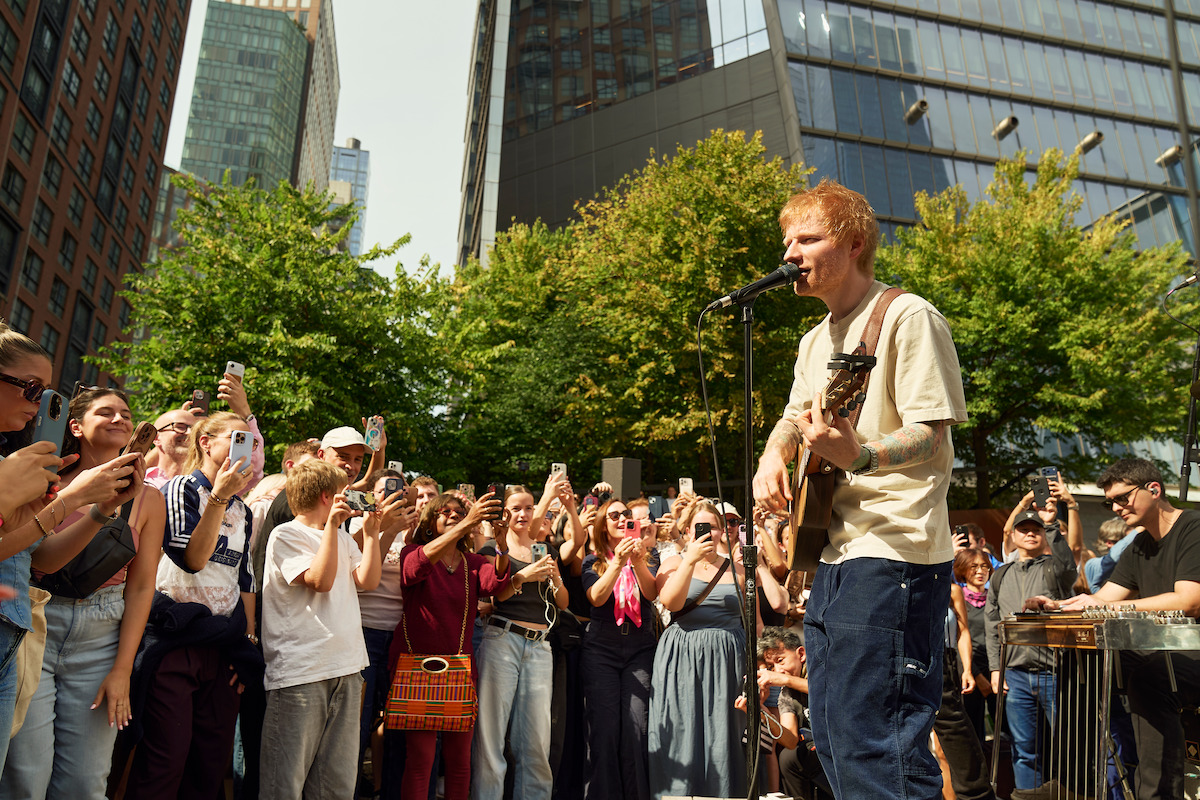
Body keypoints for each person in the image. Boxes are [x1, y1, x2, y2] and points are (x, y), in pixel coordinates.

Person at [752, 179, 968, 800]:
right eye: (786, 240)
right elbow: (796, 417)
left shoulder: (906, 315)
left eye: (807, 238)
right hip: (834, 558)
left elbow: (931, 430)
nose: (790, 252)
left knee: (881, 745)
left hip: (895, 554)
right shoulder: (814, 340)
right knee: (839, 736)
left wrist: (863, 454)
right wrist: (774, 455)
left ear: (851, 245)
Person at [0, 389, 165, 800]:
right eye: (105, 412)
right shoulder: (48, 483)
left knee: (86, 782)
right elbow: (40, 557)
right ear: (75, 425)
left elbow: (142, 585)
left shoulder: (148, 498)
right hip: (37, 621)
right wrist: (89, 503)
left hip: (103, 636)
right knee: (25, 775)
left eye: (126, 414)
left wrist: (123, 668)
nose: (120, 419)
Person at [1027, 458, 1200, 800]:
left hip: (1191, 652)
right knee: (1080, 663)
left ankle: (1158, 795)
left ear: (1154, 489)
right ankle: (1073, 785)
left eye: (1123, 498)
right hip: (1163, 650)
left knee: (1149, 680)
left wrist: (1106, 606)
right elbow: (1102, 597)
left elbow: (1189, 600)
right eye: (1110, 502)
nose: (1117, 508)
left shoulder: (1193, 528)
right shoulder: (1138, 546)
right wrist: (1058, 605)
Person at [124, 411, 261, 800]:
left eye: (251, 442)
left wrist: (244, 642)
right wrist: (218, 497)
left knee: (208, 765)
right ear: (206, 442)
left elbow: (245, 577)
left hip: (223, 646)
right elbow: (191, 559)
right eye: (237, 439)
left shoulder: (243, 509)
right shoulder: (181, 488)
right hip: (175, 638)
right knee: (165, 761)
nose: (247, 449)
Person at [259, 459, 403, 800]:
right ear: (328, 496)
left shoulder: (339, 536)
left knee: (335, 783)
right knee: (286, 781)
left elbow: (367, 580)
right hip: (301, 672)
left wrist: (371, 535)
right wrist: (333, 529)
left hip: (348, 667)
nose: (353, 499)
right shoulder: (287, 533)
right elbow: (319, 582)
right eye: (346, 493)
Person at [648, 500, 778, 798]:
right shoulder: (672, 563)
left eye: (714, 527)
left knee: (727, 734)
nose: (708, 533)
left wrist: (758, 670)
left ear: (723, 531)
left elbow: (755, 624)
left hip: (729, 658)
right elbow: (671, 603)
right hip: (683, 658)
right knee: (683, 733)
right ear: (688, 530)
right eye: (699, 527)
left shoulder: (739, 570)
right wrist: (690, 560)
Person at [396, 491, 509, 800]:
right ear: (430, 524)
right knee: (421, 761)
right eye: (444, 512)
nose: (454, 514)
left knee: (459, 763)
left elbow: (496, 585)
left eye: (459, 512)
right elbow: (412, 570)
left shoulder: (472, 561)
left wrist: (501, 544)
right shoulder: (412, 551)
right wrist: (469, 522)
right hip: (418, 670)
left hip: (459, 671)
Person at [471, 482, 569, 800]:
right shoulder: (492, 549)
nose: (524, 513)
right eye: (516, 508)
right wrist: (523, 576)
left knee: (537, 741)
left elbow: (564, 603)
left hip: (541, 644)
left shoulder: (546, 550)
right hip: (502, 638)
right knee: (491, 737)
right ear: (505, 513)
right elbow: (493, 595)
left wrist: (553, 577)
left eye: (529, 507)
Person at [985, 499, 1076, 793]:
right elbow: (991, 626)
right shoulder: (999, 576)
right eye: (1023, 529)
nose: (1030, 533)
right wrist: (996, 668)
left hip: (1057, 673)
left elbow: (1069, 566)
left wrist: (1051, 523)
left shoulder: (1055, 568)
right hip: (1015, 676)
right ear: (1013, 536)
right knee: (1024, 750)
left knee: (1070, 746)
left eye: (1036, 529)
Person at [581, 497, 659, 800]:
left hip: (639, 648)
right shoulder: (593, 561)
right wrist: (616, 562)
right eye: (613, 515)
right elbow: (597, 598)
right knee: (604, 729)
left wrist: (637, 560)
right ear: (602, 526)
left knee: (636, 728)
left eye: (626, 514)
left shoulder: (648, 557)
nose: (621, 518)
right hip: (602, 648)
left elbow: (652, 594)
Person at [954, 548, 995, 746]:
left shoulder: (995, 599)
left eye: (984, 566)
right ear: (962, 569)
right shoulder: (957, 598)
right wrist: (977, 675)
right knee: (972, 736)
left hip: (996, 672)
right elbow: (958, 637)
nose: (980, 571)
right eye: (974, 567)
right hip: (968, 673)